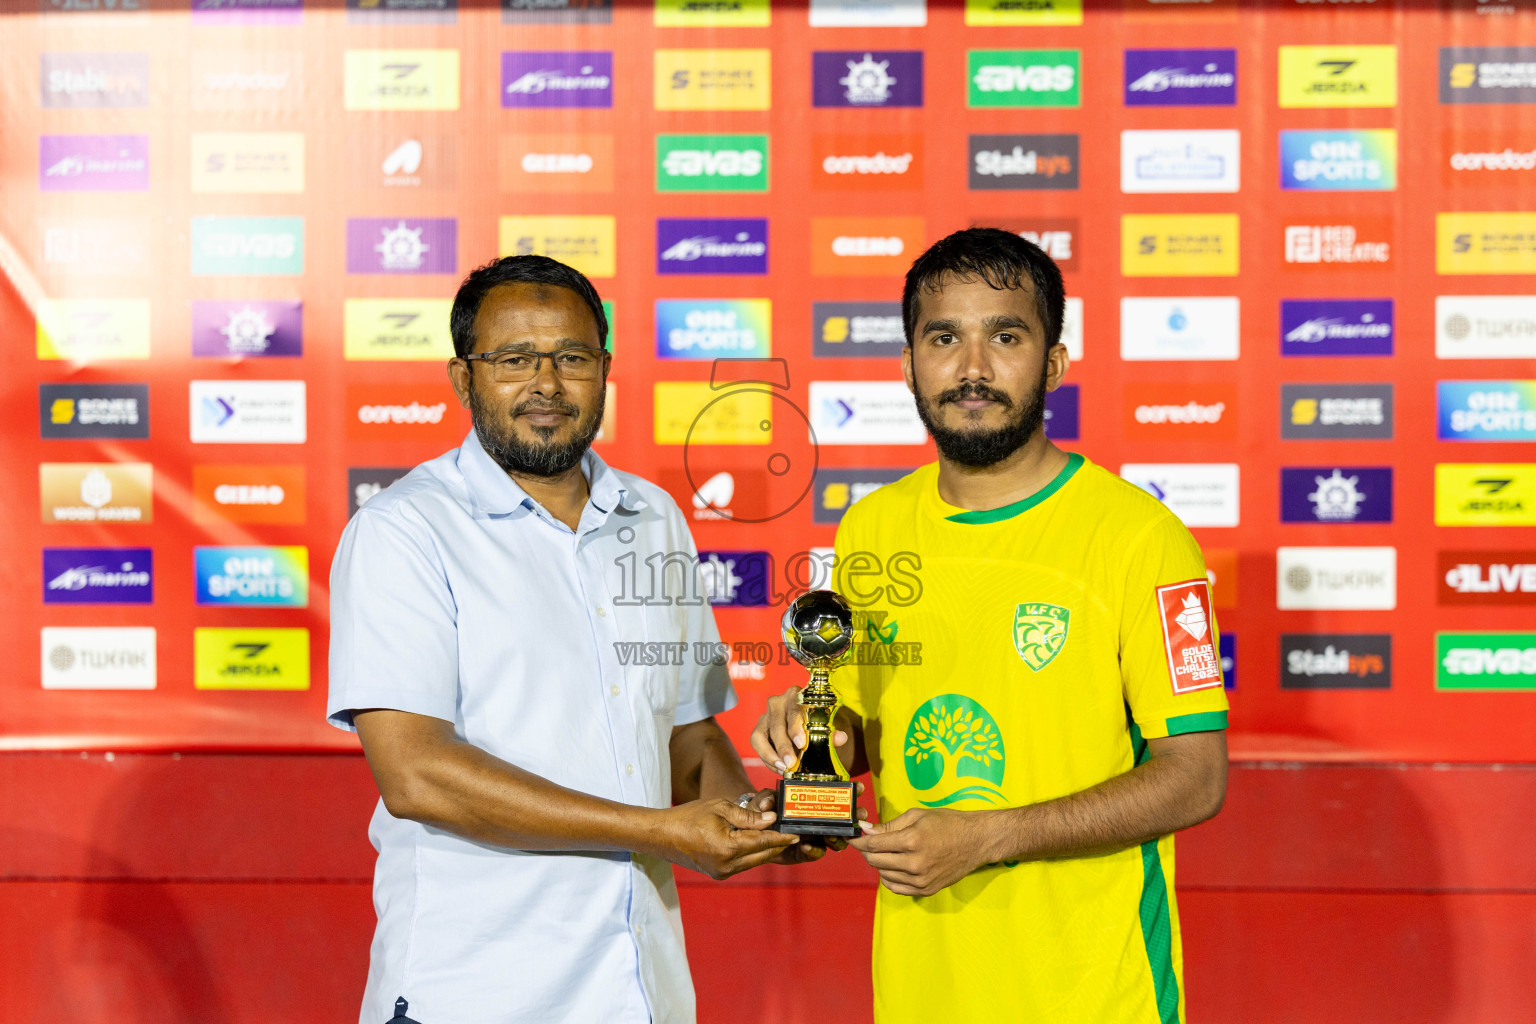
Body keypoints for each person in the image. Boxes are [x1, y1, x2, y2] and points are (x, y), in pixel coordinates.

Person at [752, 227, 1230, 1024]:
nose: (972, 368)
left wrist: (990, 836)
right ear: (908, 364)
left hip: (1093, 997)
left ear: (1054, 363)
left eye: (1005, 337)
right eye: (945, 338)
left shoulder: (1143, 539)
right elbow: (866, 731)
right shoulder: (872, 527)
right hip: (920, 991)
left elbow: (1196, 776)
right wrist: (817, 733)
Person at [328, 255, 799, 1024]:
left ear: (605, 372)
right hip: (473, 996)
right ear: (463, 378)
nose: (546, 383)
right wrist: (657, 831)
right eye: (514, 359)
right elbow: (416, 774)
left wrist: (760, 819)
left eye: (572, 359)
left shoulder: (653, 517)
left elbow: (687, 736)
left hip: (640, 994)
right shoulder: (404, 530)